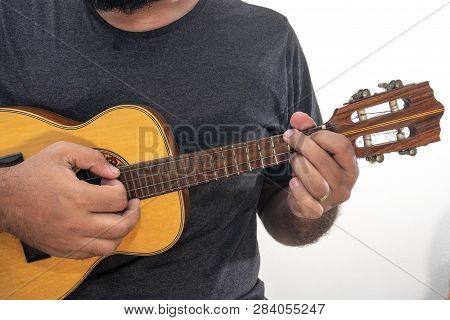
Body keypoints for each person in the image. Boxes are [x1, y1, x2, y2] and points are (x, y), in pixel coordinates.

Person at [0, 0, 359, 299]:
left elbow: (284, 216)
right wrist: (10, 199)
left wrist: (315, 203)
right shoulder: (10, 18)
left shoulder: (269, 39)